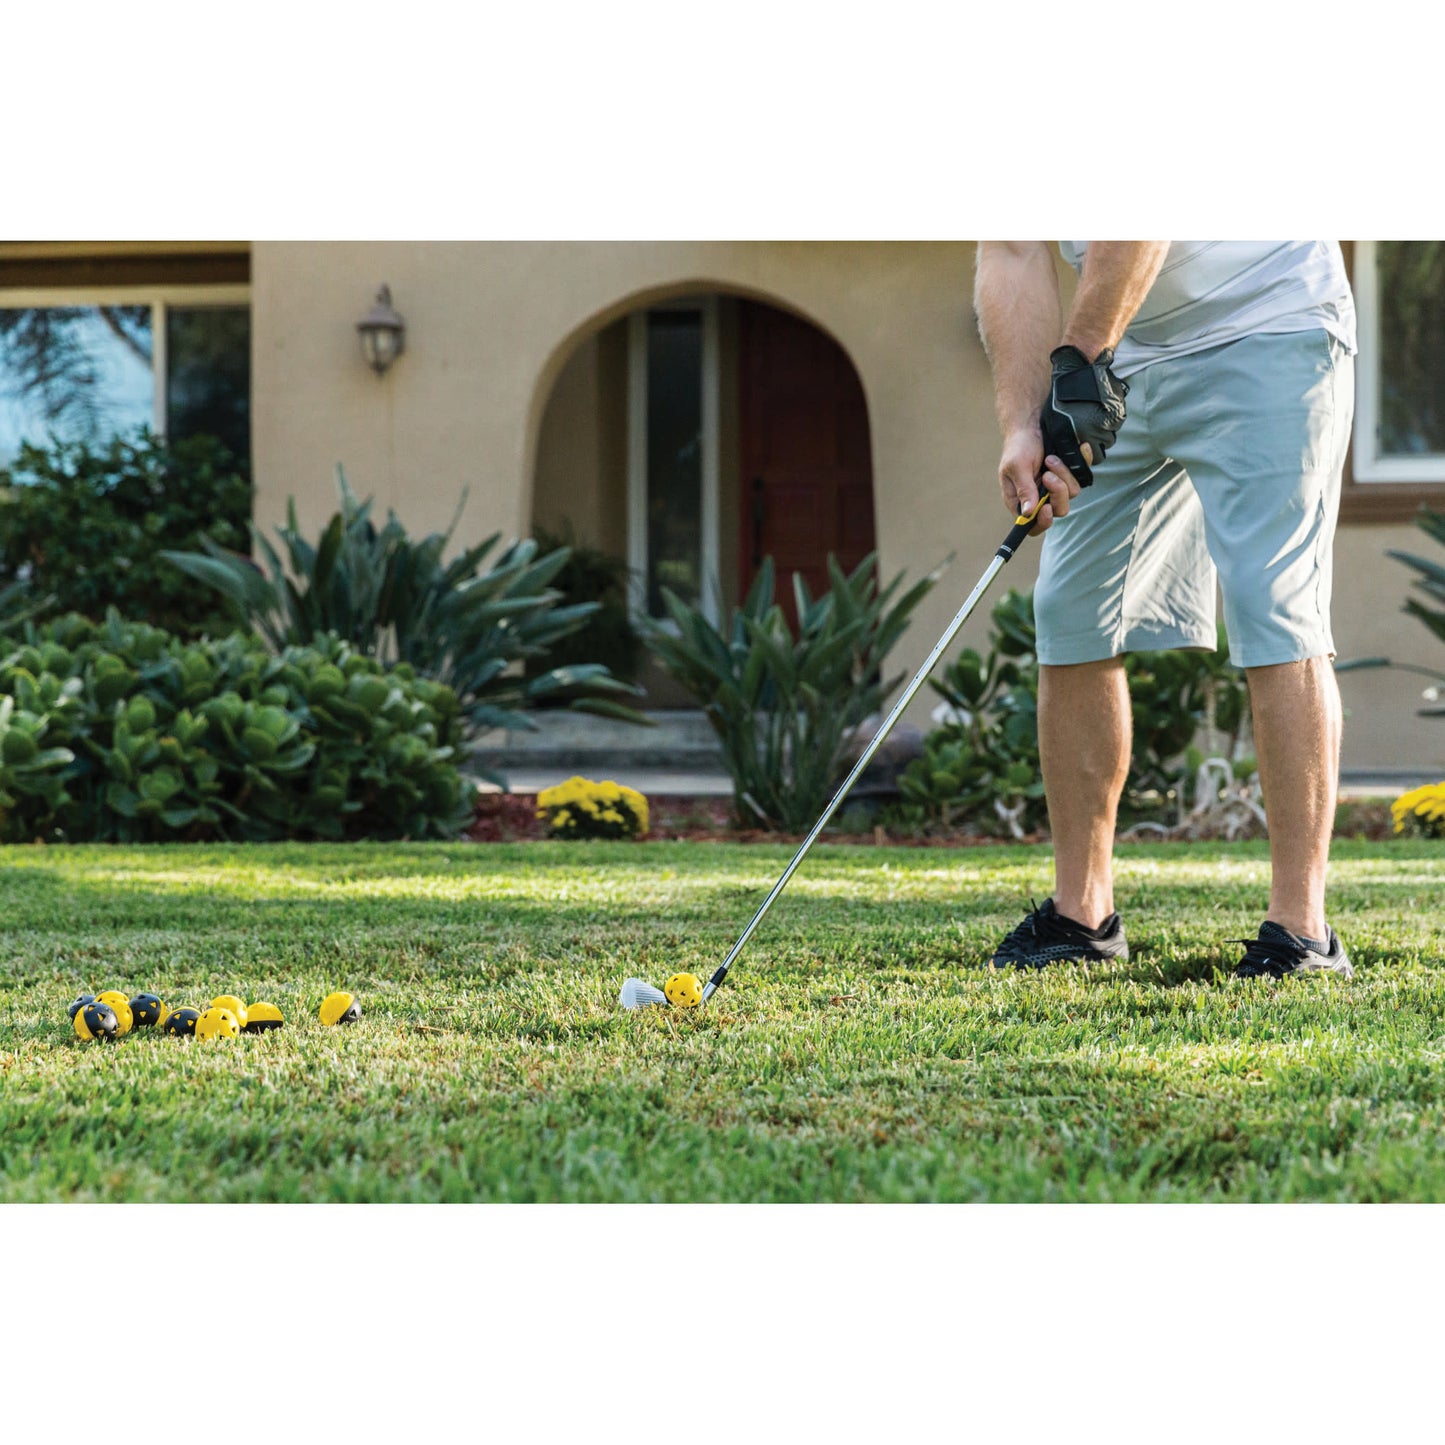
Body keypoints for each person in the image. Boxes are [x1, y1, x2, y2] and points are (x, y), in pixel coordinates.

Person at [972, 241, 1357, 978]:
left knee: (1272, 604)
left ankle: (1299, 931)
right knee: (1068, 607)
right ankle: (1080, 914)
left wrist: (1077, 368)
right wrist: (1025, 423)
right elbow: (1013, 251)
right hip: (1122, 353)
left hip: (1267, 319)